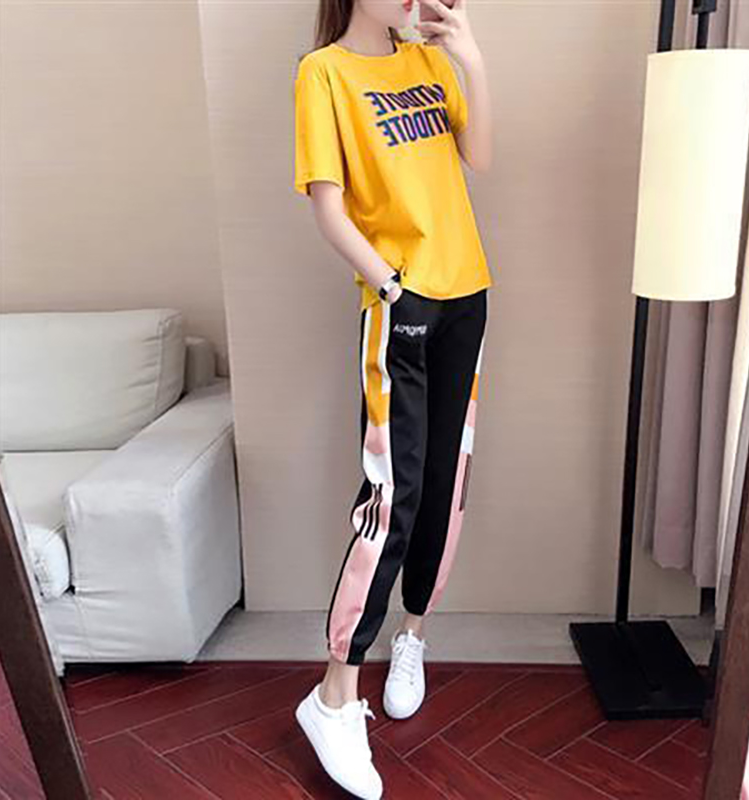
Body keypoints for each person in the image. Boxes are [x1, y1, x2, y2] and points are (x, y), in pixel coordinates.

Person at [291, 0, 493, 796]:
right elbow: (328, 205)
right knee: (392, 495)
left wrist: (471, 57)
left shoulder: (430, 60)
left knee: (445, 485)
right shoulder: (324, 73)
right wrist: (390, 286)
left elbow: (480, 156)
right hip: (400, 305)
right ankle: (334, 694)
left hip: (468, 295)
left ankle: (413, 635)